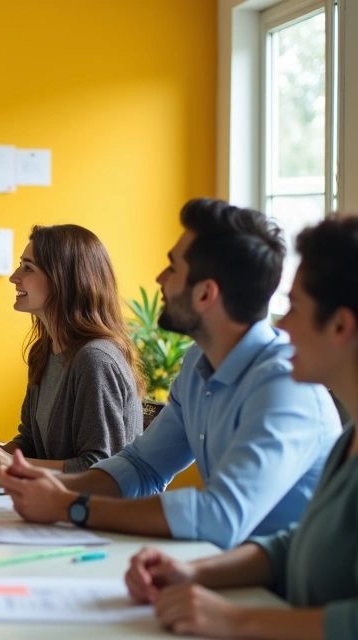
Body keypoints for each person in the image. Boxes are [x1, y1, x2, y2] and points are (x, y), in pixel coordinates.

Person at [0, 198, 341, 550]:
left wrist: (71, 506)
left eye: (172, 268)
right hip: (230, 566)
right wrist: (46, 487)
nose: (160, 279)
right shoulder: (198, 363)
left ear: (205, 293)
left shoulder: (284, 385)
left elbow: (219, 517)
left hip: (285, 581)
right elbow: (142, 466)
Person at [124, 215, 358, 639]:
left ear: (340, 326)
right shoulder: (350, 440)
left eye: (296, 307)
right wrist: (195, 572)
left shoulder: (285, 387)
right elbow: (296, 544)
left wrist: (236, 620)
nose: (282, 326)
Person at [0, 224, 144, 473]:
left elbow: (100, 469)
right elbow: (30, 443)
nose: (14, 277)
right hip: (54, 494)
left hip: (92, 499)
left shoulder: (95, 360)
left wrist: (16, 464)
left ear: (63, 280)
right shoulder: (43, 351)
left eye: (28, 268)